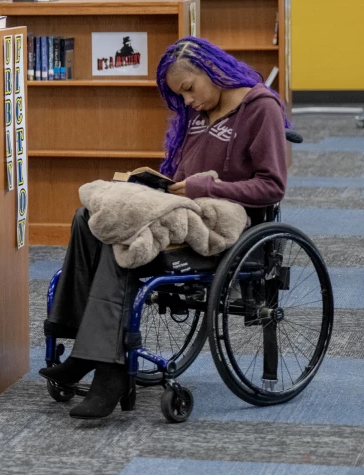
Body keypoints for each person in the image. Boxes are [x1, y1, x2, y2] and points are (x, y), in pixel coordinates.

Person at [41, 36, 289, 419]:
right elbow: (179, 177)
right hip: (181, 214)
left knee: (122, 233)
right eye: (181, 96)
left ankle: (107, 369)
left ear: (212, 71)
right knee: (87, 217)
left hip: (222, 230)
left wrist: (203, 186)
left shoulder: (260, 108)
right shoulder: (196, 116)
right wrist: (154, 184)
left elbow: (272, 186)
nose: (188, 102)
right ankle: (82, 345)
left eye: (189, 89)